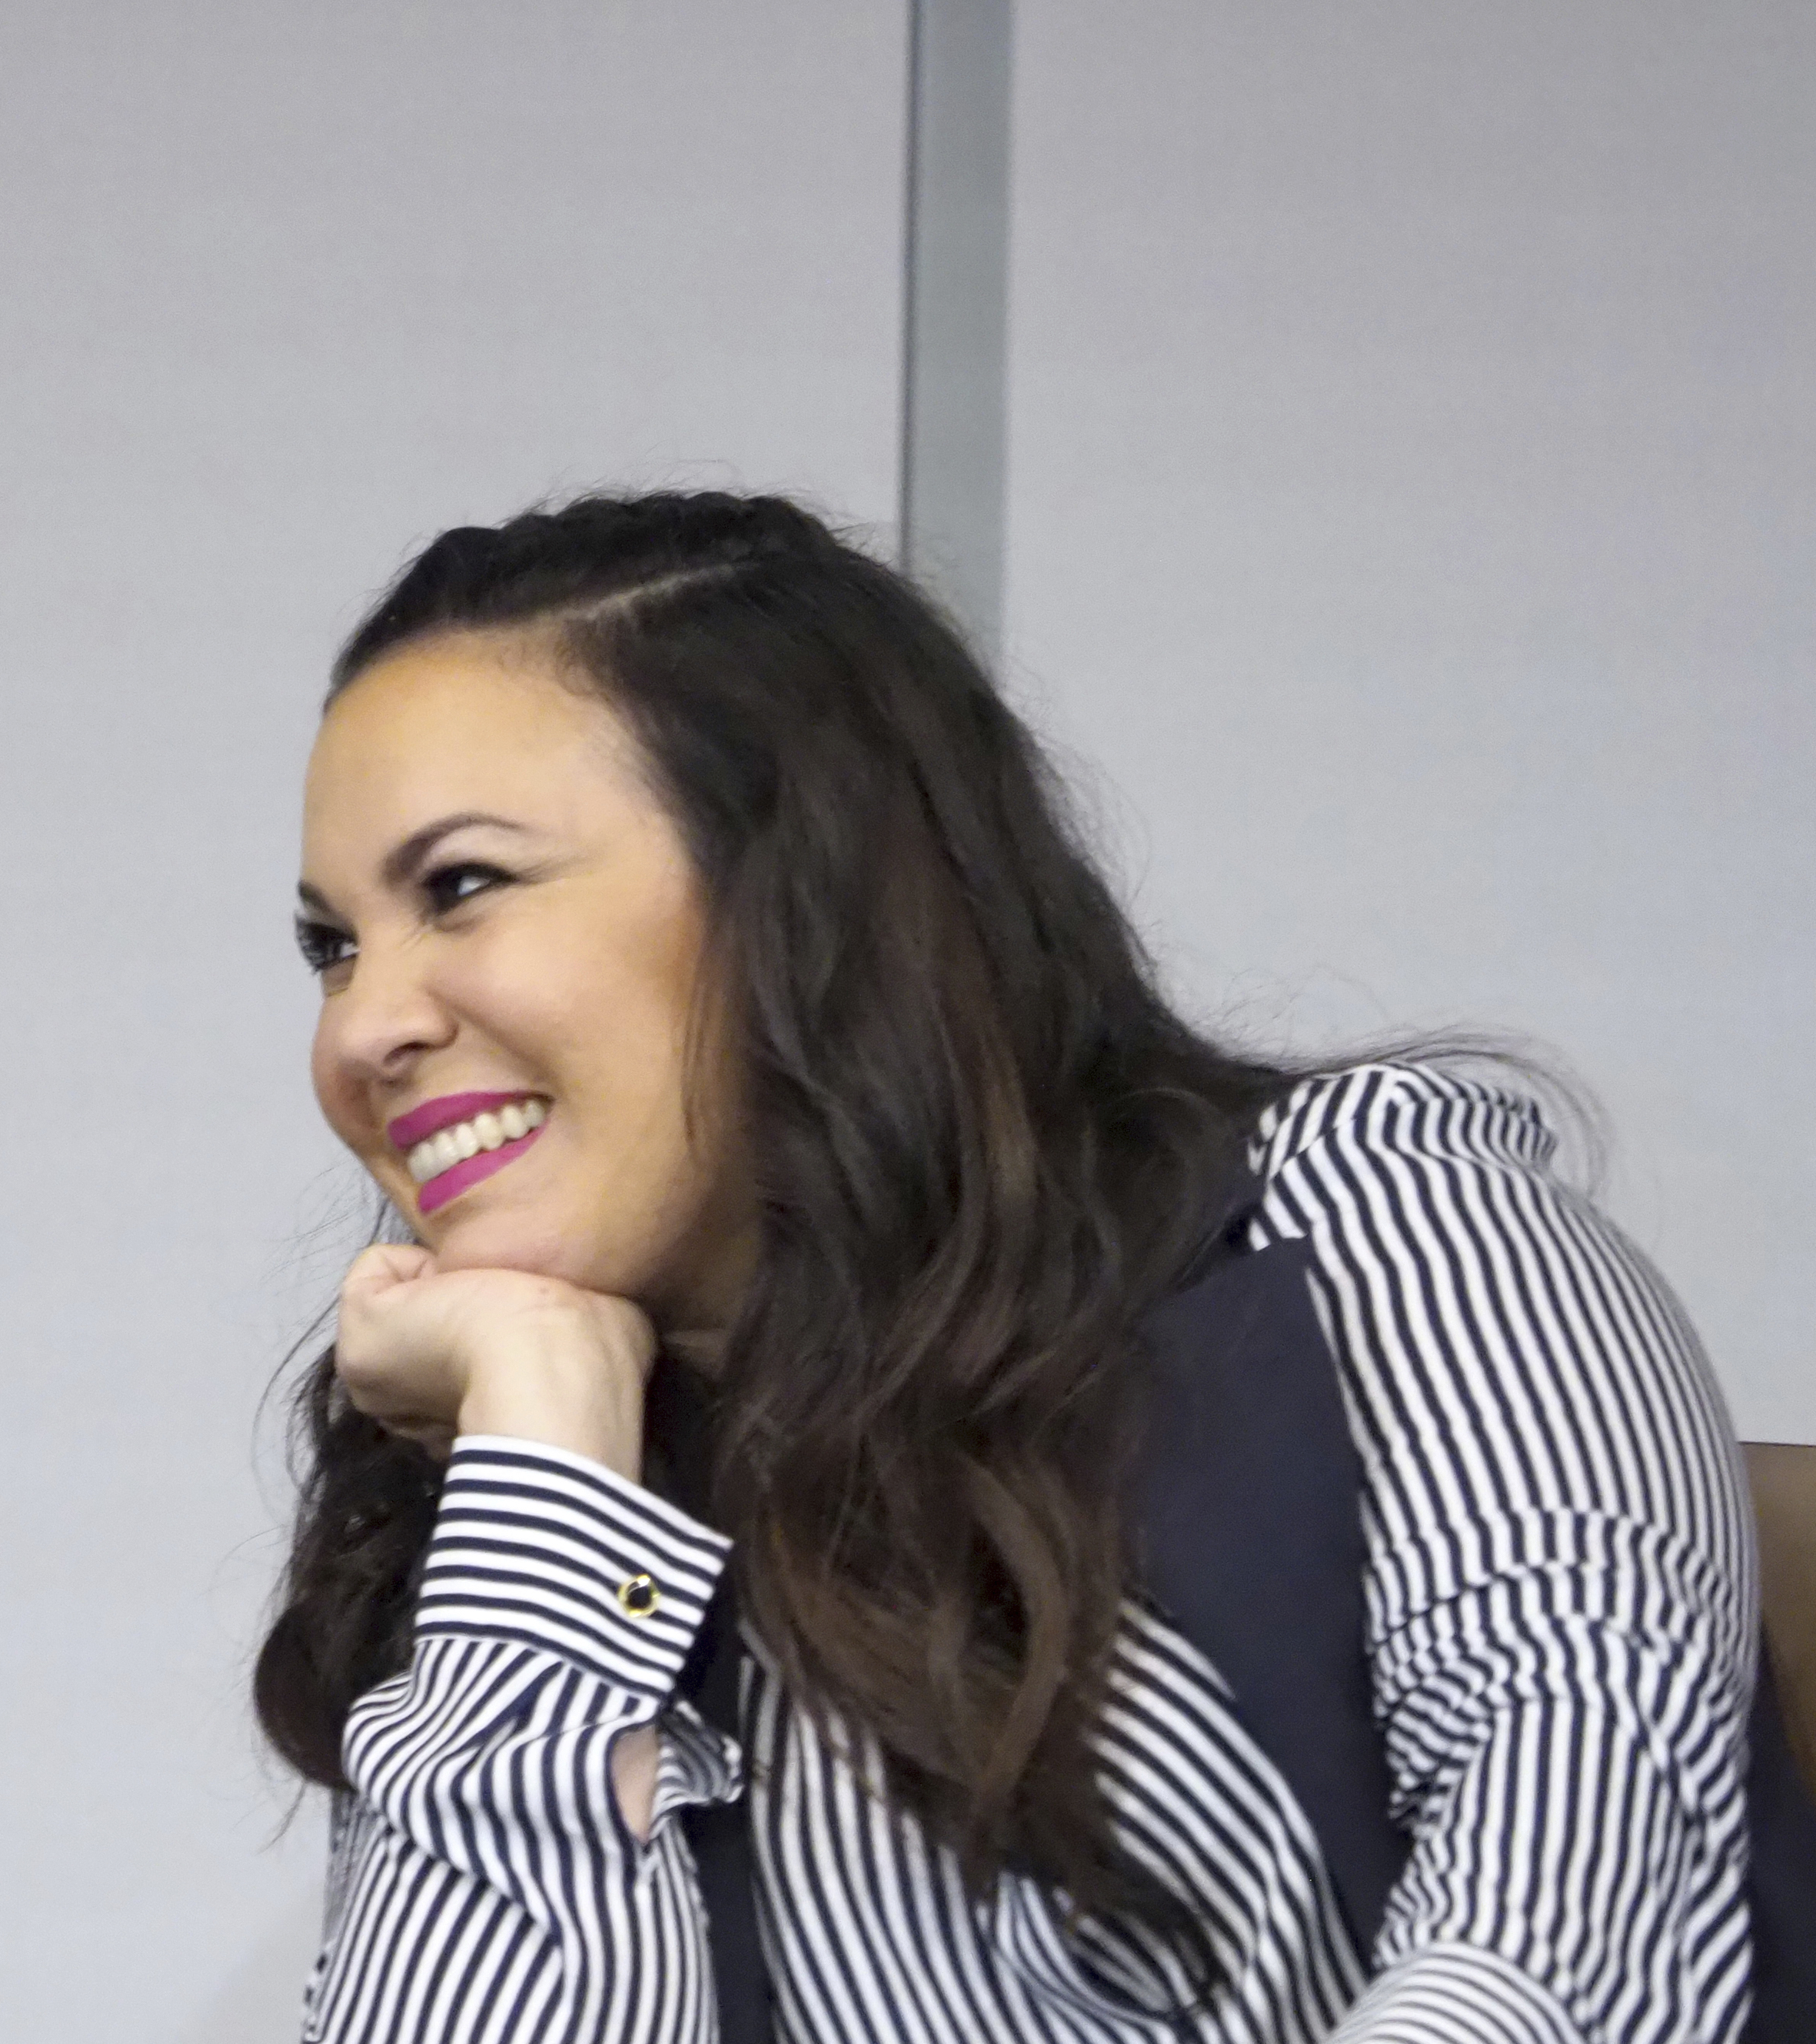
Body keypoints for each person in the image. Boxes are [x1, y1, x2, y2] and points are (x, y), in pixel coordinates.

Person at [266, 491, 1788, 2039]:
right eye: (332, 946)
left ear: (800, 885)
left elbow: (1576, 1951)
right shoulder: (520, 1481)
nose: (359, 1028)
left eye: (459, 887)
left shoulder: (1363, 1234)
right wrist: (541, 1446)